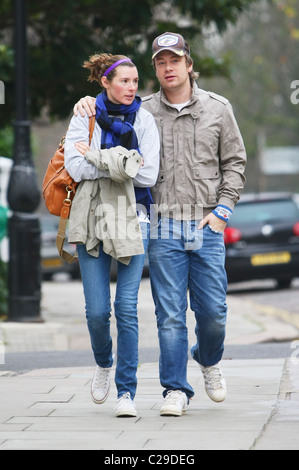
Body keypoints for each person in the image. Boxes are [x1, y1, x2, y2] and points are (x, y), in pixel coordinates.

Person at [73, 32, 247, 417]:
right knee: (169, 316)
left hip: (206, 225)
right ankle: (176, 390)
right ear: (156, 68)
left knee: (214, 313)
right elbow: (105, 110)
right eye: (161, 62)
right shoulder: (142, 110)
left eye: (175, 60)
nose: (168, 68)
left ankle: (207, 356)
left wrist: (222, 211)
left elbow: (235, 162)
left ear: (189, 64)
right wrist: (87, 102)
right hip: (162, 224)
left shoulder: (219, 109)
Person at [65, 53, 160, 417]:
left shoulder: (146, 119)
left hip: (134, 217)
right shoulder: (85, 115)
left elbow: (148, 174)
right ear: (105, 82)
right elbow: (74, 166)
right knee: (96, 312)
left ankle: (127, 393)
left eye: (135, 82)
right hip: (90, 218)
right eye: (124, 81)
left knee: (126, 309)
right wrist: (123, 163)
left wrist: (99, 158)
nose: (131, 88)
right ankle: (104, 363)